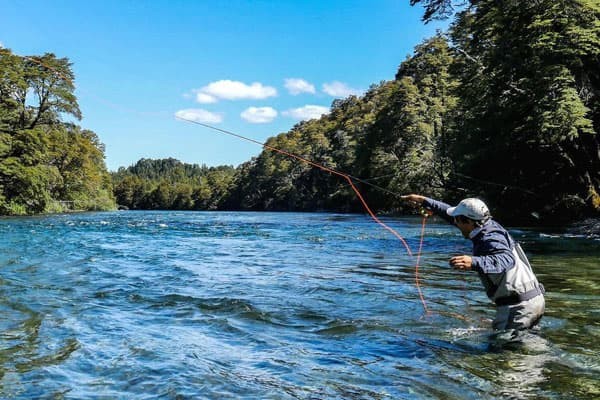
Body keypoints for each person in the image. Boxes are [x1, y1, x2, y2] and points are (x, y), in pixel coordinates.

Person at [402, 194, 545, 331]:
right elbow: (450, 214)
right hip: (533, 300)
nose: (455, 223)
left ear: (469, 221)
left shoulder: (490, 239)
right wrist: (424, 201)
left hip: (519, 307)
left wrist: (473, 262)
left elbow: (506, 259)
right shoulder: (490, 225)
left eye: (457, 220)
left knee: (505, 352)